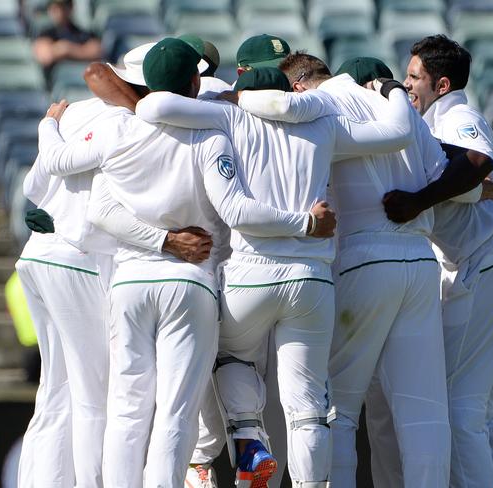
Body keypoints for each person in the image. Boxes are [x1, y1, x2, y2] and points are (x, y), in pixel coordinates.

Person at [36, 37, 336, 488]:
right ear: (198, 79)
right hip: (192, 282)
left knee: (126, 409)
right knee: (176, 413)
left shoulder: (120, 128)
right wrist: (176, 242)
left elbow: (76, 182)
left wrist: (48, 122)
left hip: (130, 281)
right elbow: (232, 207)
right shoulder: (210, 133)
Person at [134, 62, 431, 488]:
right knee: (309, 407)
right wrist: (392, 90)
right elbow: (398, 131)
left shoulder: (233, 115)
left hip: (253, 272)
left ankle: (249, 440)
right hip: (312, 280)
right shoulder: (324, 122)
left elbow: (153, 107)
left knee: (230, 355)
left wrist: (238, 100)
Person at [234, 52, 493, 488]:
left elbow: (273, 113)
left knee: (336, 409)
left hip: (363, 257)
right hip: (418, 261)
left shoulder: (321, 104)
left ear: (298, 86)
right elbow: (465, 193)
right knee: (425, 412)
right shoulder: (404, 114)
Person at [16, 42, 214, 488]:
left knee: (56, 391)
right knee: (94, 397)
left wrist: (50, 122)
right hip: (83, 259)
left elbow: (34, 185)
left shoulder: (79, 112)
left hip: (38, 254)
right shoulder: (133, 124)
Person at [387, 34, 493, 487]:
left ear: (442, 84)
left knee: (459, 409)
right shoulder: (441, 120)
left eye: (414, 77)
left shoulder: (456, 115)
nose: (405, 85)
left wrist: (418, 201)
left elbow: (477, 164)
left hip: (492, 259)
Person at [33, 0, 102, 75]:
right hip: (55, 82)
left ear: (71, 7)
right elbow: (45, 56)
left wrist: (66, 49)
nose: (59, 12)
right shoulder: (45, 33)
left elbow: (96, 52)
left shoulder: (83, 33)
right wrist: (78, 50)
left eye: (63, 7)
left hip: (82, 79)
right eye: (55, 8)